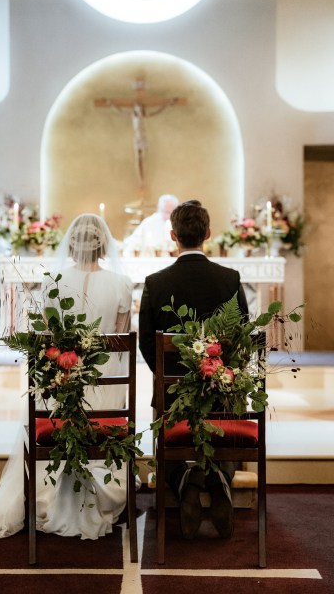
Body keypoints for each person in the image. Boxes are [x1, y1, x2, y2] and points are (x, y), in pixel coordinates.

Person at [0, 214, 134, 541]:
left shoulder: (54, 278)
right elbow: (120, 347)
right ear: (104, 246)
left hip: (61, 385)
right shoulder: (122, 284)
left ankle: (49, 493)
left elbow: (46, 341)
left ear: (70, 243)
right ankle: (102, 490)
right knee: (108, 398)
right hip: (105, 394)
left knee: (50, 398)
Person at [139, 199, 249, 540]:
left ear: (173, 236)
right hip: (222, 393)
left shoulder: (156, 283)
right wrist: (219, 376)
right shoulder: (229, 279)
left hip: (173, 400)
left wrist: (170, 378)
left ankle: (185, 479)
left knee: (169, 441)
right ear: (209, 234)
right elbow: (242, 339)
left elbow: (146, 343)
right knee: (226, 434)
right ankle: (218, 476)